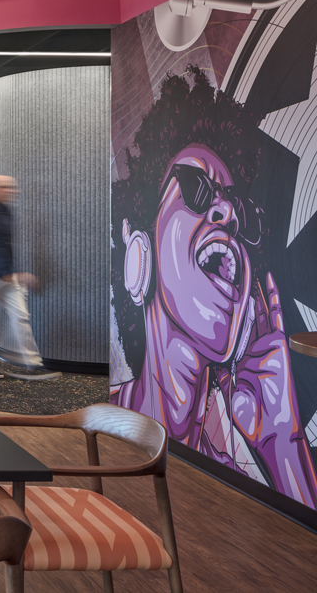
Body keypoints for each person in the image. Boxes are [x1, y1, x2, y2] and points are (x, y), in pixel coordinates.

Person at [112, 67, 317, 506]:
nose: (227, 211)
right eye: (196, 187)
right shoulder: (102, 419)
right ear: (139, 244)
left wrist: (282, 443)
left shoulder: (229, 464)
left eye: (239, 207)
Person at [0, 175, 59, 381]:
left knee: (21, 316)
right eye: (6, 187)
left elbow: (5, 248)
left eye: (12, 187)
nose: (12, 191)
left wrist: (12, 274)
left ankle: (33, 363)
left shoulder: (7, 211)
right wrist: (14, 275)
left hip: (8, 274)